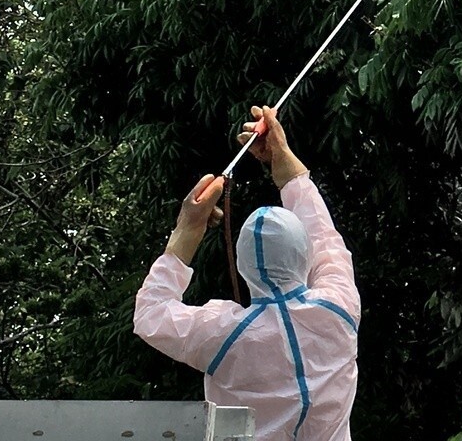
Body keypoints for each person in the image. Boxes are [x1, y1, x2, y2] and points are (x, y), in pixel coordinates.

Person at [134, 106, 360, 441]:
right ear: (305, 256)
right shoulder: (339, 307)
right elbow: (324, 237)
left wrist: (187, 230)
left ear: (242, 265)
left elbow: (150, 315)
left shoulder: (222, 334)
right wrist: (282, 159)